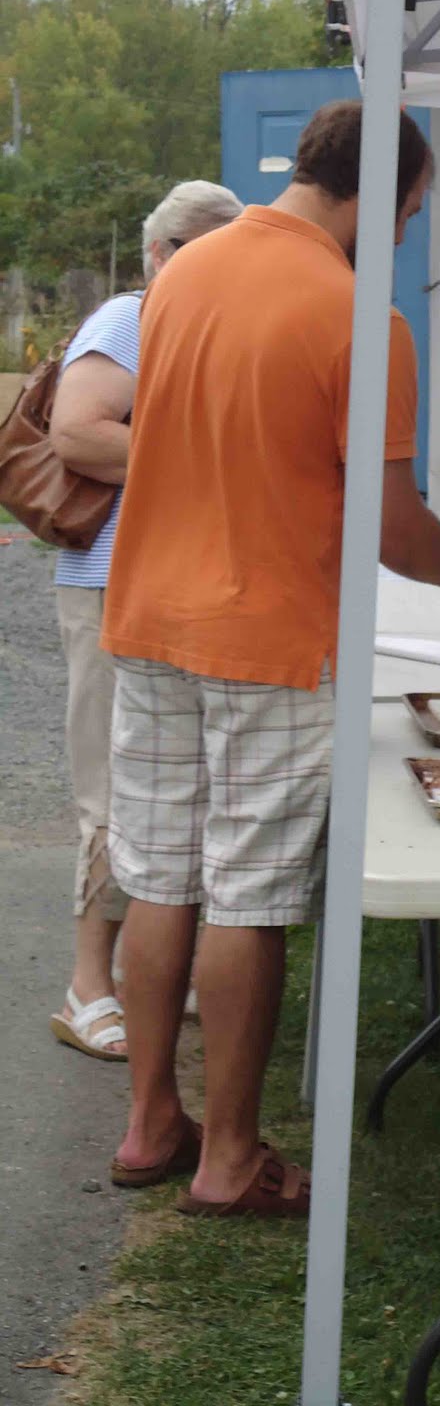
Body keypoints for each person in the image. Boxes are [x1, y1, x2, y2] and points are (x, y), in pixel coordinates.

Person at [100, 102, 440, 1216]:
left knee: (158, 873)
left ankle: (151, 1122)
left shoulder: (183, 274)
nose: (403, 232)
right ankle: (230, 1157)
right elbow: (391, 526)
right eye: (411, 209)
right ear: (378, 190)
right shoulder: (361, 317)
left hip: (149, 611)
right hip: (270, 632)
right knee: (247, 892)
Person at [46, 181, 244, 1063]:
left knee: (176, 787)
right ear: (163, 254)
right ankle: (87, 985)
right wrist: (211, 461)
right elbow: (79, 431)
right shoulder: (130, 319)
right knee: (111, 791)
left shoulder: (195, 319)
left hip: (168, 583)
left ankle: (156, 972)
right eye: (203, 258)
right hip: (107, 584)